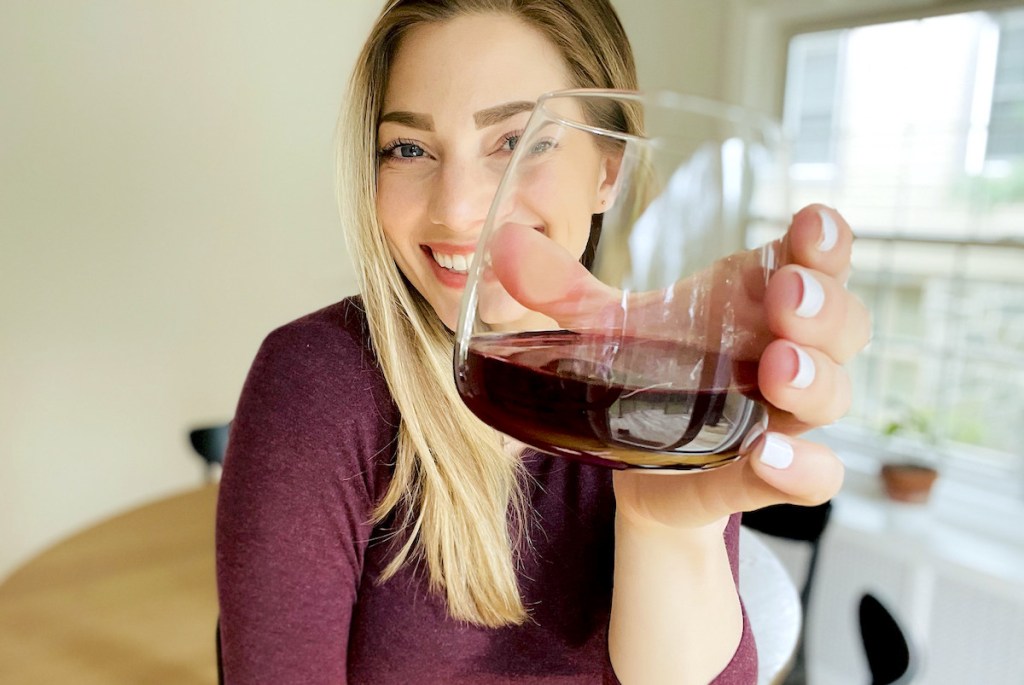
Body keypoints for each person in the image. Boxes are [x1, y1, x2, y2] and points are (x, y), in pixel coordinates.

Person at [215, 1, 871, 683]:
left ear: (607, 172)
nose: (458, 208)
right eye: (409, 148)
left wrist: (665, 524)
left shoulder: (665, 391)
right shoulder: (318, 381)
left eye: (517, 141)